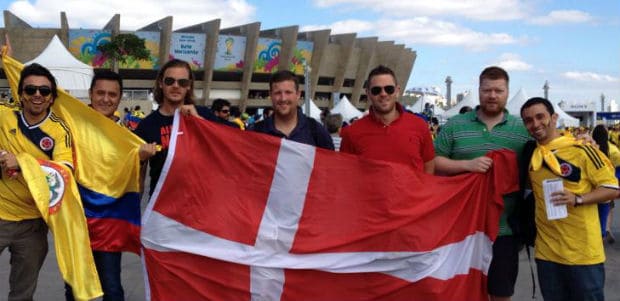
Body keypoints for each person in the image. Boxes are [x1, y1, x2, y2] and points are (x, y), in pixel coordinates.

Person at [434, 66, 531, 301]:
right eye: (487, 90)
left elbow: (549, 147)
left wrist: (583, 141)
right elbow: (433, 162)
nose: (493, 95)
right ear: (478, 90)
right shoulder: (456, 125)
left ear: (508, 92)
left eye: (499, 90)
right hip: (461, 228)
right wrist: (466, 166)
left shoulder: (522, 129)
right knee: (459, 290)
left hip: (503, 230)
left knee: (501, 293)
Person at [64, 70, 157, 301]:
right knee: (74, 289)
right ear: (90, 94)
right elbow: (35, 99)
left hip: (108, 224)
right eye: (101, 93)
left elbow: (133, 183)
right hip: (76, 221)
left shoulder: (126, 137)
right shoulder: (71, 125)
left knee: (112, 287)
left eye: (112, 94)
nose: (106, 99)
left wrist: (142, 158)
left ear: (119, 98)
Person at [520, 97, 618, 301]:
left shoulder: (582, 149)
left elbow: (611, 188)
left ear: (554, 117)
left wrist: (578, 199)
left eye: (540, 117)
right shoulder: (532, 155)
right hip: (547, 254)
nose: (535, 124)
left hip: (582, 254)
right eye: (529, 120)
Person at [0, 63, 72, 301]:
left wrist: (21, 162)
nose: (37, 95)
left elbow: (64, 173)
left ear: (52, 98)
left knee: (22, 294)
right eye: (31, 90)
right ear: (21, 94)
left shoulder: (60, 132)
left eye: (44, 91)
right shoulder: (4, 115)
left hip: (33, 223)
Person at [135, 59, 220, 196]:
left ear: (189, 86)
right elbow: (138, 177)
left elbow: (225, 147)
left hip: (199, 203)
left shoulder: (203, 114)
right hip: (161, 207)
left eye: (182, 82)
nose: (176, 86)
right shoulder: (147, 125)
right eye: (170, 81)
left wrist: (199, 121)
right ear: (161, 84)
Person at [340, 65, 434, 173]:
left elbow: (429, 165)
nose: (383, 94)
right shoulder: (352, 132)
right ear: (368, 93)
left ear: (397, 91)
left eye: (389, 89)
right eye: (376, 90)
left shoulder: (419, 125)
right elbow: (346, 172)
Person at [249, 70, 334, 150]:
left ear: (298, 94)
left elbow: (330, 163)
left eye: (288, 92)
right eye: (277, 93)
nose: (283, 98)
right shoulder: (255, 132)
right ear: (270, 95)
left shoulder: (316, 131)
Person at [591, 124, 620, 244]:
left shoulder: (589, 147)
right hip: (608, 187)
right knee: (606, 210)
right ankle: (604, 231)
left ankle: (595, 234)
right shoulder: (613, 150)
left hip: (591, 186)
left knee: (591, 212)